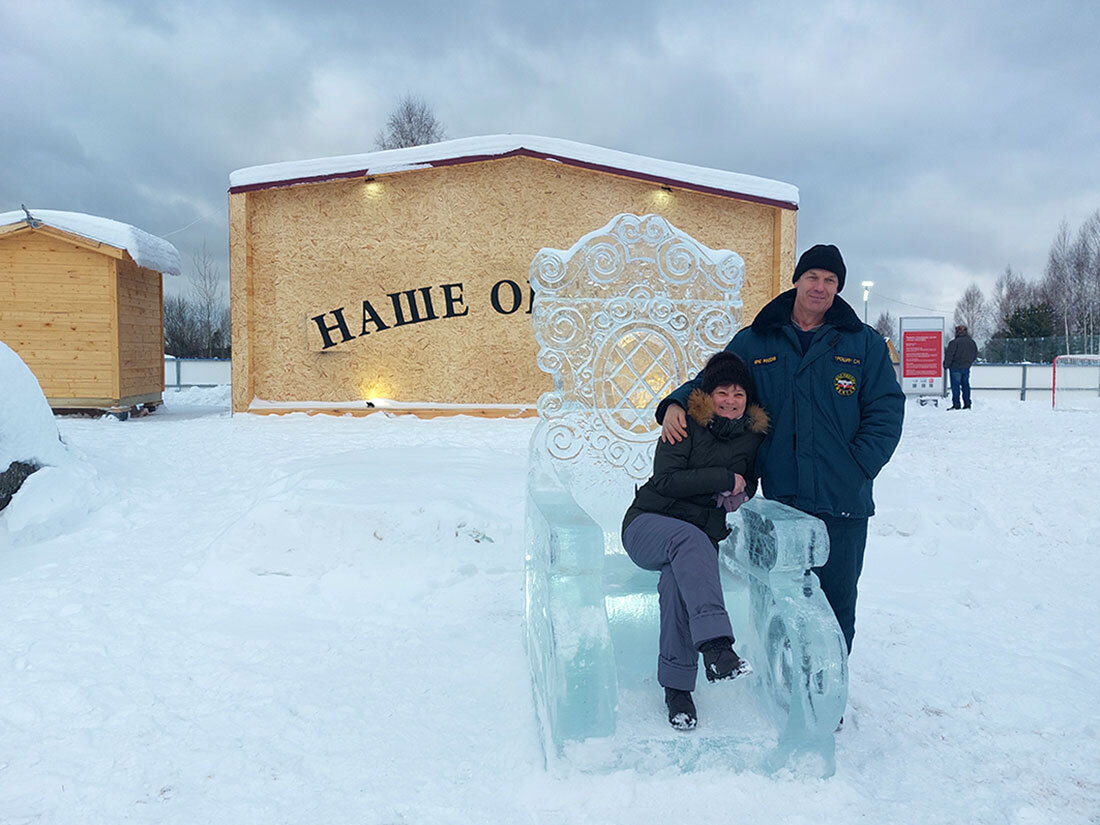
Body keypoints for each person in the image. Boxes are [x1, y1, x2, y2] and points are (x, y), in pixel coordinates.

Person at [657, 244, 904, 658]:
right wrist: (677, 403)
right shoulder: (758, 340)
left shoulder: (863, 344)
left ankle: (828, 693)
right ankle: (784, 683)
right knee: (778, 596)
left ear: (838, 287)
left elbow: (886, 410)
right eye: (812, 277)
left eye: (830, 280)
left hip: (844, 498)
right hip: (783, 496)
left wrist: (860, 463)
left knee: (837, 602)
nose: (820, 287)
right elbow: (712, 380)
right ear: (796, 280)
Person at [621, 351, 769, 730]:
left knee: (676, 586)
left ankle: (677, 690)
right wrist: (722, 477)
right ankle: (717, 646)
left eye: (738, 394)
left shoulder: (752, 436)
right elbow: (666, 480)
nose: (730, 401)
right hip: (648, 525)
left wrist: (742, 491)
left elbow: (747, 480)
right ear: (708, 392)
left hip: (697, 542)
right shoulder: (683, 422)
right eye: (722, 392)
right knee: (689, 539)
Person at [944, 324, 978, 410]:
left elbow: (949, 355)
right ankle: (967, 404)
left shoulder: (954, 343)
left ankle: (956, 404)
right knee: (965, 386)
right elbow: (975, 354)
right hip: (966, 367)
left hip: (955, 367)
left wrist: (946, 365)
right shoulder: (972, 342)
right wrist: (969, 363)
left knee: (956, 387)